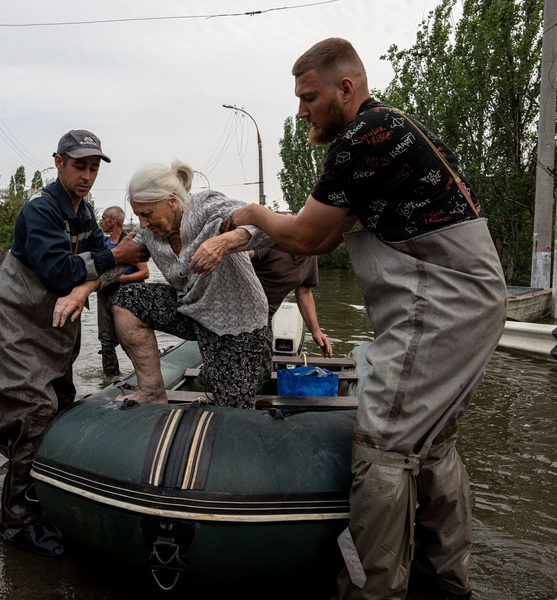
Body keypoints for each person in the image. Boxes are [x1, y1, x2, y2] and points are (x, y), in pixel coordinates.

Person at [215, 38, 507, 599]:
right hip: (470, 297)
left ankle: (376, 592)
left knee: (382, 447)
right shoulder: (390, 128)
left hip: (439, 302)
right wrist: (275, 225)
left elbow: (301, 235)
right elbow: (323, 240)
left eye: (309, 97)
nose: (301, 111)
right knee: (434, 441)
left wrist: (251, 213)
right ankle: (445, 585)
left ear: (345, 88)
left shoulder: (360, 139)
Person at [0, 130, 148, 558]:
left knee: (61, 404)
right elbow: (58, 272)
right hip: (15, 325)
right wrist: (113, 259)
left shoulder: (85, 212)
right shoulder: (40, 210)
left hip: (53, 325)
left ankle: (42, 497)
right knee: (30, 413)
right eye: (79, 166)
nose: (87, 175)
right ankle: (16, 522)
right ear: (58, 162)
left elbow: (86, 270)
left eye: (93, 167)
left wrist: (89, 281)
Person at [61, 160, 272, 409]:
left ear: (172, 201)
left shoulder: (205, 205)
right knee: (127, 299)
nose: (142, 223)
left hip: (236, 321)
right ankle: (151, 391)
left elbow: (267, 227)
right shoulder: (150, 233)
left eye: (147, 214)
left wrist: (224, 242)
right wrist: (81, 290)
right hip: (191, 311)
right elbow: (116, 266)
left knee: (230, 410)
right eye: (138, 214)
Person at [250, 247, 332, 358]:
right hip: (237, 312)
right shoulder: (272, 239)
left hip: (264, 319)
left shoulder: (311, 256)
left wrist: (316, 331)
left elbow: (304, 292)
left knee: (263, 370)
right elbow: (242, 252)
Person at [96, 206, 149, 376]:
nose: (101, 222)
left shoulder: (130, 242)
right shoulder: (103, 243)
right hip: (104, 294)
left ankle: (144, 375)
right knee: (105, 339)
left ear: (113, 221)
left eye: (104, 218)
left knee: (127, 339)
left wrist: (120, 278)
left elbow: (144, 272)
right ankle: (109, 378)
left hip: (124, 297)